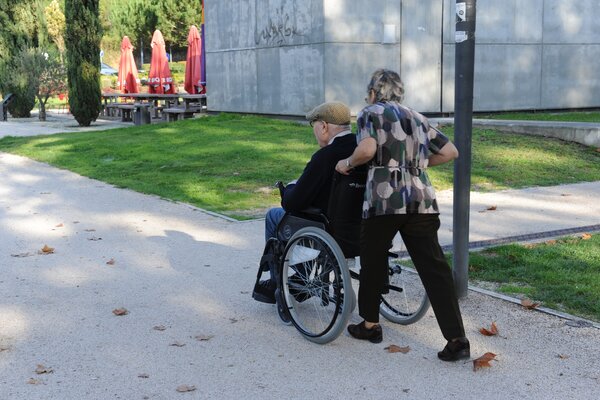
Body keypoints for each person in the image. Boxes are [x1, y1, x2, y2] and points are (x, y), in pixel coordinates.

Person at [335, 69, 470, 362]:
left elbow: (367, 149)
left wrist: (347, 163)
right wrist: (415, 164)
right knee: (434, 268)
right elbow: (451, 152)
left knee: (373, 260)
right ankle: (457, 340)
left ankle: (370, 325)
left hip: (384, 200)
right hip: (421, 200)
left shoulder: (370, 113)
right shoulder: (417, 118)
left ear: (373, 93)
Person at [252, 101, 358, 304]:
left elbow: (293, 203)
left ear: (324, 126)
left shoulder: (325, 157)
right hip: (357, 228)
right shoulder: (362, 150)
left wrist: (290, 188)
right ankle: (299, 278)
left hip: (327, 227)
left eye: (314, 125)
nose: (314, 131)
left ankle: (278, 282)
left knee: (274, 216)